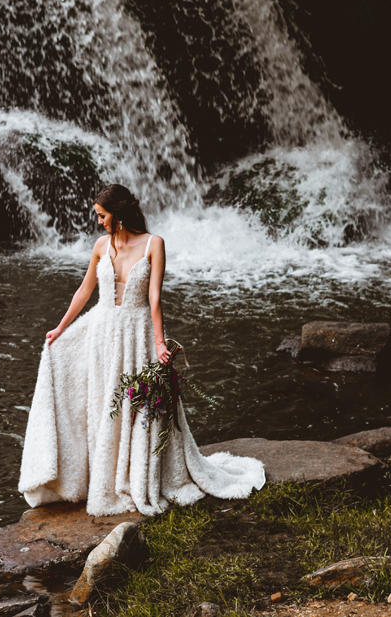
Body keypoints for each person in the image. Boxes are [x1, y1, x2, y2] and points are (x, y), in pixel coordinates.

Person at [18, 183, 265, 517]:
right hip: (102, 333)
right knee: (104, 403)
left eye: (103, 216)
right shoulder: (100, 246)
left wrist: (160, 343)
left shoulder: (154, 244)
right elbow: (84, 290)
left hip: (137, 334)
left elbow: (154, 299)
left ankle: (136, 476)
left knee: (136, 407)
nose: (100, 222)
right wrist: (60, 328)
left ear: (118, 214)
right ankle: (101, 478)